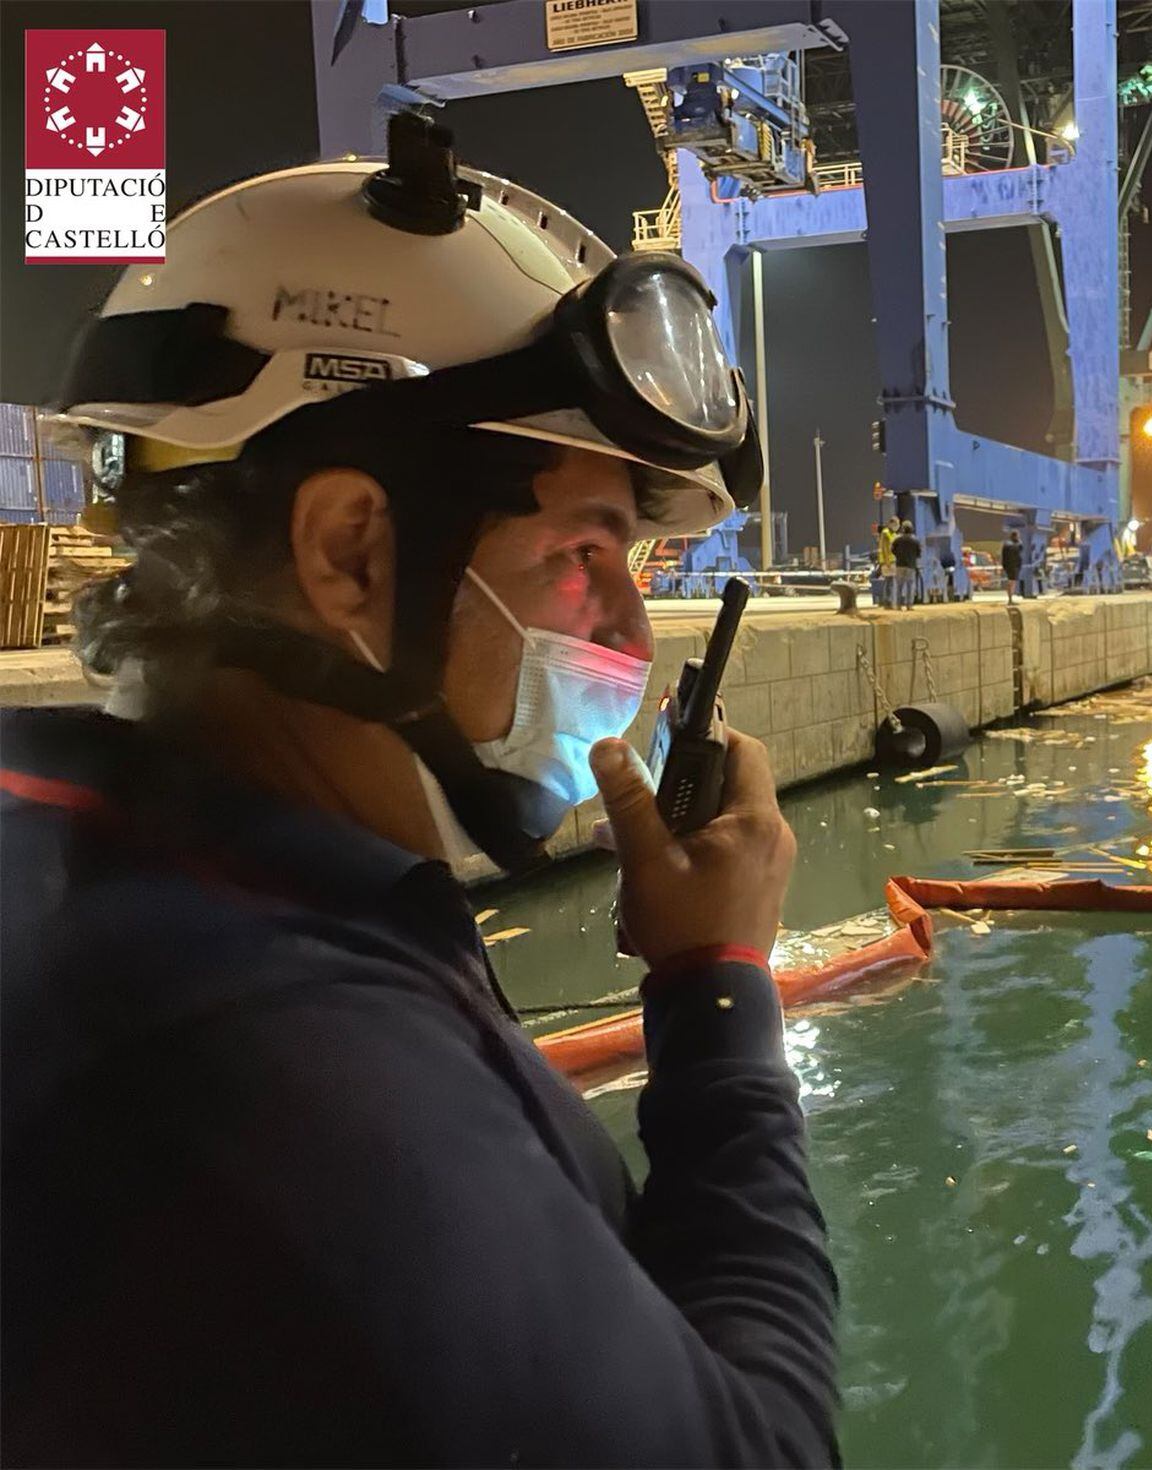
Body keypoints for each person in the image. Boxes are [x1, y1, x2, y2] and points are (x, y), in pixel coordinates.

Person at [0, 116, 837, 1465]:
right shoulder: (276, 1055)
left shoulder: (112, 856)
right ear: (352, 552)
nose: (633, 624)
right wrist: (720, 985)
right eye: (586, 548)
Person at [891, 519, 921, 610]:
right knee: (910, 586)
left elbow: (892, 550)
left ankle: (898, 605)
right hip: (911, 566)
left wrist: (898, 555)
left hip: (900, 565)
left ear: (902, 529)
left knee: (899, 586)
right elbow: (919, 553)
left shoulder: (897, 539)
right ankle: (909, 605)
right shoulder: (915, 540)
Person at [1000, 528, 1024, 603]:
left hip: (1008, 566)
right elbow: (1021, 549)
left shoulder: (1006, 544)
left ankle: (1010, 598)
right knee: (1012, 582)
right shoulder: (1016, 545)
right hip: (1014, 566)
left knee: (1010, 581)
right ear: (1016, 536)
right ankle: (1010, 599)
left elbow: (1003, 556)